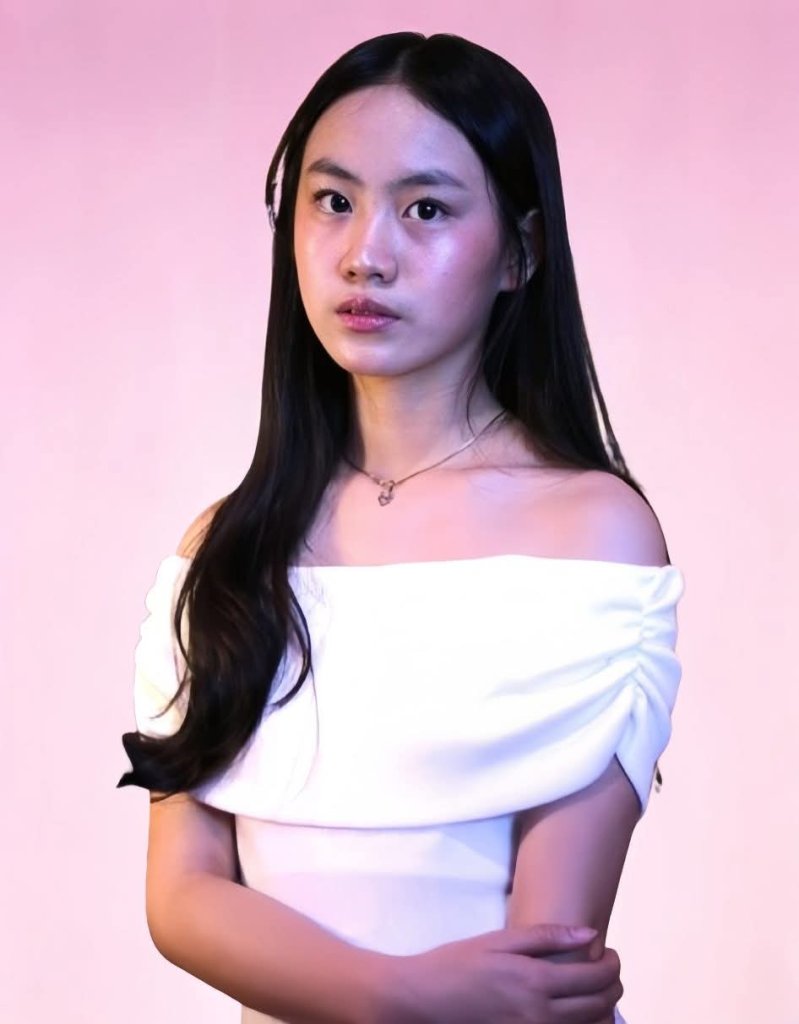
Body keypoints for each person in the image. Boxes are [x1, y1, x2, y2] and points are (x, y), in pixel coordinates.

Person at [118, 30, 685, 1024]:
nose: (365, 255)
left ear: (519, 252)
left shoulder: (591, 537)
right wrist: (396, 992)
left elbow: (542, 964)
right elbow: (181, 896)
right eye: (332, 201)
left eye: (425, 209)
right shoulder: (224, 547)